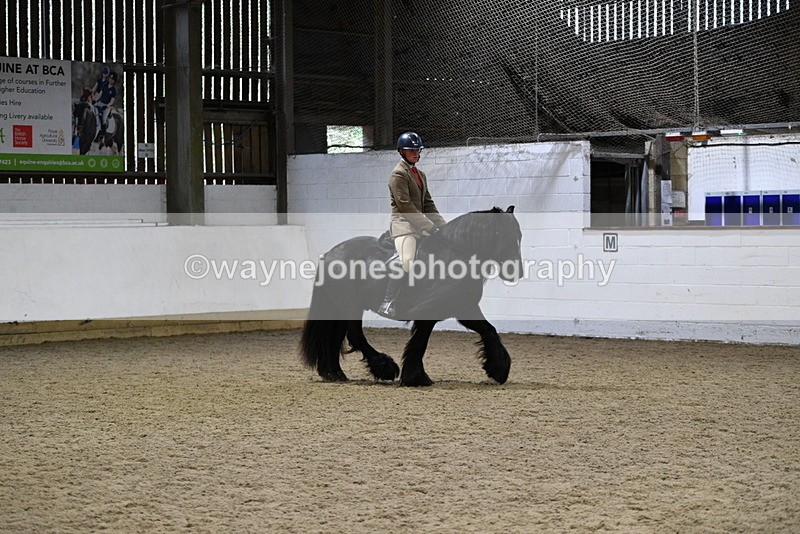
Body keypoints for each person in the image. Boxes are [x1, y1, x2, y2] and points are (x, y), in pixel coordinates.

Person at [377, 132, 447, 318]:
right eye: (411, 150)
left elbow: (428, 204)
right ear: (402, 152)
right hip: (404, 225)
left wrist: (444, 226)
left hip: (420, 225)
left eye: (418, 150)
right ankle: (387, 302)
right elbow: (405, 206)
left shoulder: (420, 175)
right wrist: (430, 227)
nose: (416, 153)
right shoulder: (398, 174)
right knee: (407, 260)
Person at [93, 71, 118, 140]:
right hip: (100, 102)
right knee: (93, 110)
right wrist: (94, 100)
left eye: (112, 79)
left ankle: (102, 135)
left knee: (103, 118)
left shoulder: (114, 90)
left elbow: (112, 101)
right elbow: (100, 94)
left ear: (114, 81)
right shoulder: (105, 85)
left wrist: (107, 106)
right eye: (110, 78)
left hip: (107, 105)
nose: (111, 80)